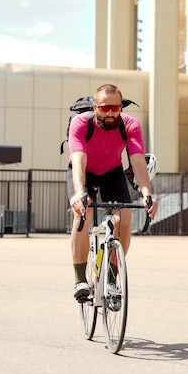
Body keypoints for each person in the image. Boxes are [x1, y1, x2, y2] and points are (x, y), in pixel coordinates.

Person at [67, 83, 158, 299]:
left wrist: (147, 194)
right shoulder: (80, 123)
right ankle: (80, 279)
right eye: (105, 108)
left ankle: (111, 279)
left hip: (112, 172)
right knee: (84, 212)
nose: (110, 113)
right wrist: (79, 192)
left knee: (125, 220)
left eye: (115, 109)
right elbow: (78, 159)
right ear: (94, 106)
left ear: (121, 108)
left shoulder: (130, 125)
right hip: (83, 171)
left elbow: (137, 161)